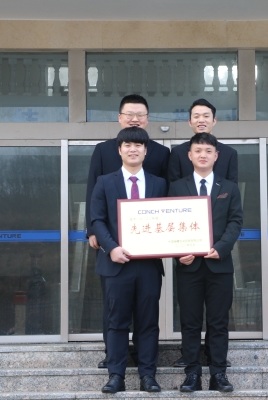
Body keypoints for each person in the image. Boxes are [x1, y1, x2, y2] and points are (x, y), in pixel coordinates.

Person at [85, 94, 170, 369]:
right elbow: (92, 193)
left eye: (140, 114)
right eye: (129, 114)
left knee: (146, 314)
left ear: (148, 119)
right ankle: (113, 357)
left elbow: (169, 203)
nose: (135, 119)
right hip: (112, 244)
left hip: (148, 251)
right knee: (114, 309)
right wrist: (93, 232)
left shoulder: (161, 153)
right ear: (120, 118)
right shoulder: (103, 150)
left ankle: (145, 364)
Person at [168, 132, 243, 392]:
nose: (203, 155)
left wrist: (221, 248)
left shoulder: (229, 187)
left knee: (218, 322)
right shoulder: (177, 187)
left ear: (216, 156)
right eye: (198, 151)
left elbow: (235, 221)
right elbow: (170, 225)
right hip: (188, 267)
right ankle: (192, 374)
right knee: (189, 323)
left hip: (219, 266)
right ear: (189, 155)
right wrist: (178, 253)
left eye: (208, 151)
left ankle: (218, 374)